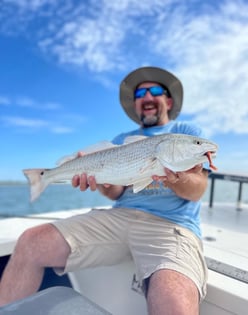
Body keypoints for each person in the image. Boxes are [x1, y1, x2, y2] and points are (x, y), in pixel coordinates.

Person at [0, 67, 209, 314]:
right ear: (136, 103)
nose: (147, 97)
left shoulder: (187, 134)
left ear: (169, 100)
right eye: (141, 92)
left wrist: (177, 177)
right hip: (119, 217)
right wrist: (99, 182)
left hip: (169, 225)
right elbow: (117, 192)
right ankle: (45, 177)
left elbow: (196, 191)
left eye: (155, 90)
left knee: (174, 303)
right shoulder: (122, 138)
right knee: (30, 241)